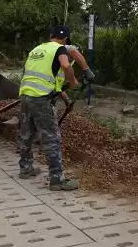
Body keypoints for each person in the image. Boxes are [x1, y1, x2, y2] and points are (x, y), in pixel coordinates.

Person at [17, 25, 95, 191]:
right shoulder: (60, 49)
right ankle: (57, 180)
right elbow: (67, 65)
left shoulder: (37, 50)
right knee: (52, 138)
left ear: (50, 36)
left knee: (27, 133)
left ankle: (25, 168)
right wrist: (75, 80)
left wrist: (66, 101)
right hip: (41, 100)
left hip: (26, 96)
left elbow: (50, 83)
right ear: (65, 40)